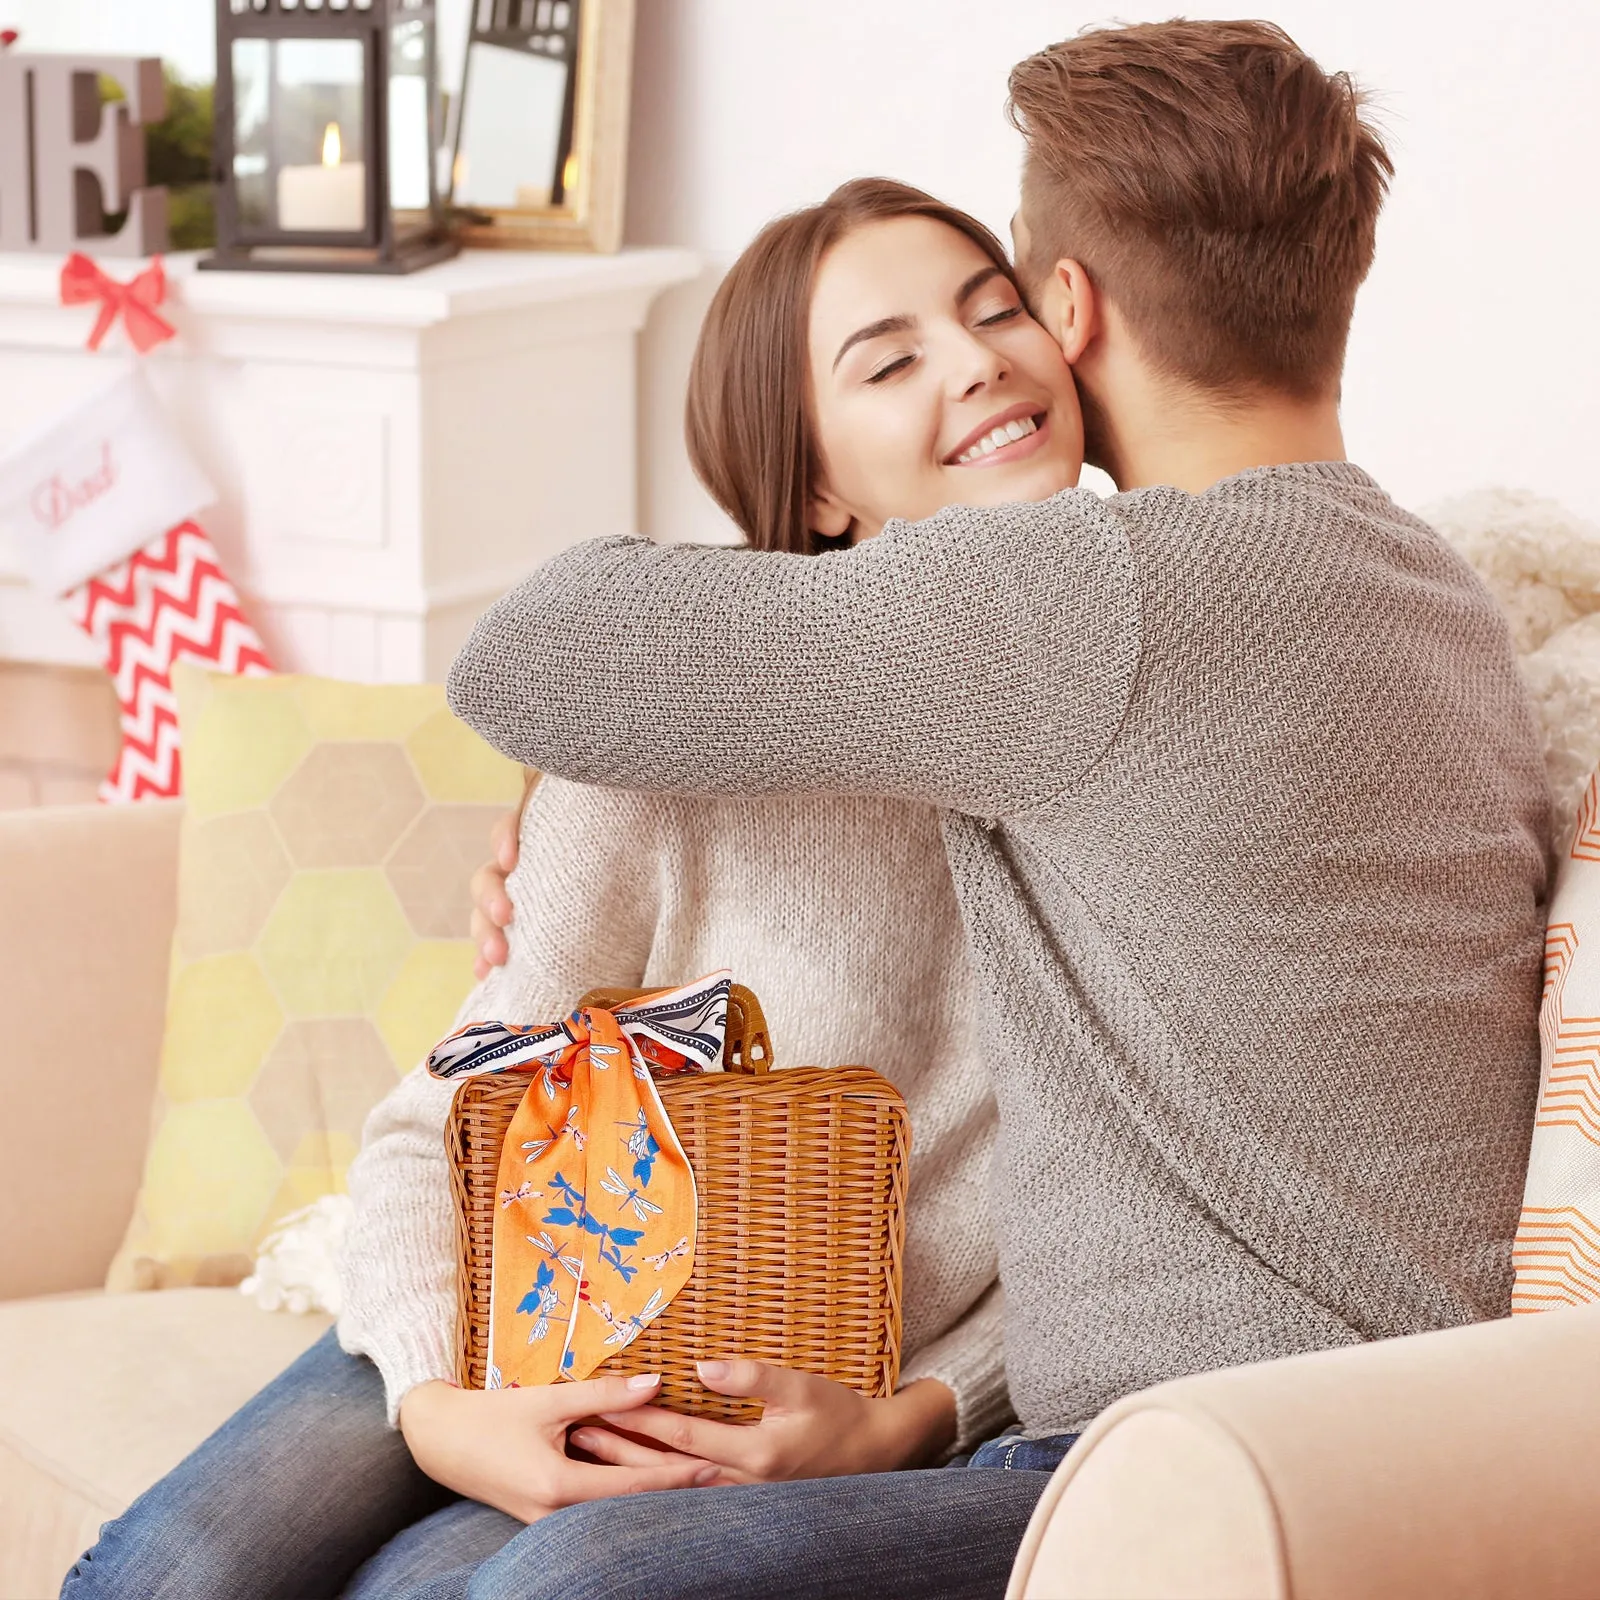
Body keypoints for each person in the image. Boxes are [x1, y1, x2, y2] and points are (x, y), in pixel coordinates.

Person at [444, 8, 1550, 1586]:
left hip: (1194, 1472)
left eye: (1005, 293)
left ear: (1073, 308)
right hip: (1418, 1449)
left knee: (564, 1578)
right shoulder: (1439, 593)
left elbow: (526, 654)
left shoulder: (1076, 601)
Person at [61, 183, 1089, 1600]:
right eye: (892, 356)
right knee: (170, 1576)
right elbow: (451, 1111)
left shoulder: (1134, 735)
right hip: (506, 1316)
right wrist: (442, 1406)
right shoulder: (664, 721)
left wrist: (920, 1411)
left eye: (997, 310)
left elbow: (1120, 1223)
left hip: (807, 1404)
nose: (977, 361)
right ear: (812, 489)